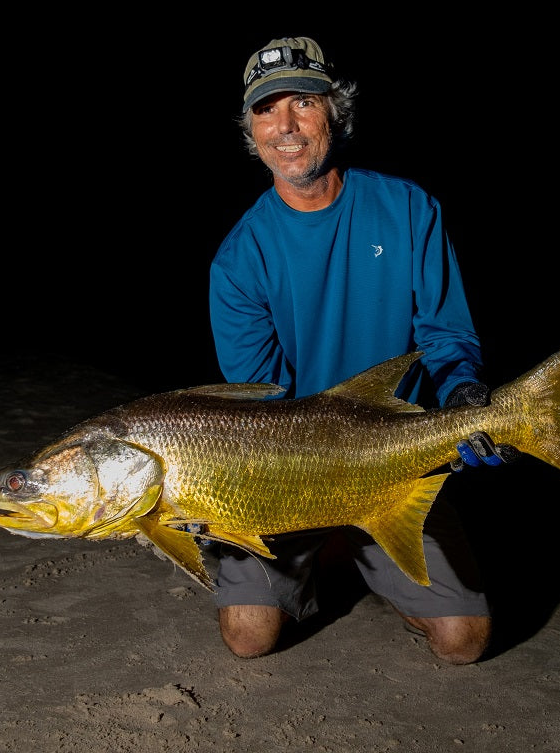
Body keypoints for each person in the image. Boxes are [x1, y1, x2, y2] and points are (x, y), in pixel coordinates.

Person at [207, 36, 516, 665]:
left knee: (464, 644)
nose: (286, 128)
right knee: (248, 638)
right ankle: (329, 548)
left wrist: (463, 392)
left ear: (334, 112)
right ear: (251, 129)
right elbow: (261, 404)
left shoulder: (407, 209)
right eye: (267, 110)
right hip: (289, 472)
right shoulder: (240, 258)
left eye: (303, 103)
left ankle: (357, 546)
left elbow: (446, 333)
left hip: (394, 458)